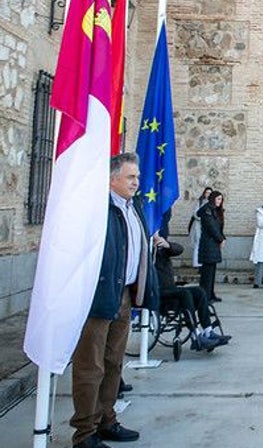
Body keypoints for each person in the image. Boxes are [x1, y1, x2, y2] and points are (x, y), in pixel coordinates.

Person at [70, 153, 159, 448]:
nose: (137, 182)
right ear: (112, 179)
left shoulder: (134, 209)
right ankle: (84, 433)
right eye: (130, 177)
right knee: (90, 365)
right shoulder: (98, 209)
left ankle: (107, 420)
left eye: (137, 176)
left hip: (124, 295)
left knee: (113, 362)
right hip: (99, 295)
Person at [154, 238, 230, 351]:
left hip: (170, 288)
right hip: (157, 291)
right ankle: (195, 336)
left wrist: (167, 245)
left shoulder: (162, 249)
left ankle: (208, 331)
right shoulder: (146, 251)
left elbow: (179, 249)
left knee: (199, 291)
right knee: (185, 294)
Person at [197, 190, 226, 302]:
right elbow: (211, 227)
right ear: (213, 199)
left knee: (212, 272)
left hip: (213, 245)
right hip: (208, 245)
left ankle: (210, 293)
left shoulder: (215, 211)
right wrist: (220, 239)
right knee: (206, 274)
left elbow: (219, 227)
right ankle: (205, 295)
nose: (220, 201)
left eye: (221, 199)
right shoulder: (207, 210)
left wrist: (222, 237)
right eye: (218, 199)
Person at [187, 187, 212, 268]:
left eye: (210, 193)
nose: (208, 194)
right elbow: (195, 213)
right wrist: (203, 218)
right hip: (198, 225)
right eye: (207, 192)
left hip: (207, 226)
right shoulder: (199, 202)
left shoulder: (211, 203)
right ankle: (196, 263)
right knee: (198, 243)